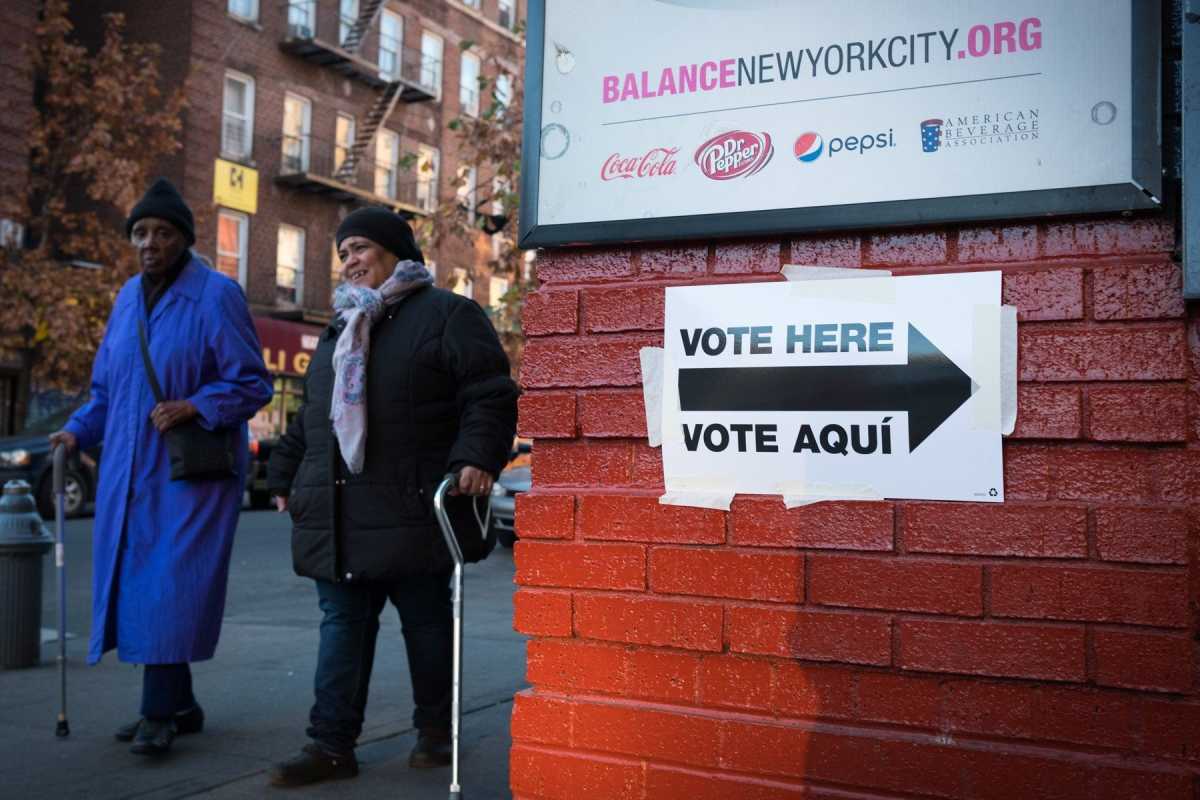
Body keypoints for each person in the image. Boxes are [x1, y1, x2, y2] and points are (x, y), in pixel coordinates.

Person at [266, 207, 518, 787]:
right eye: (343, 253)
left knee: (427, 626)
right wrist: (283, 474)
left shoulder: (448, 314)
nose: (350, 261)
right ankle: (330, 745)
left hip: (412, 506)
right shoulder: (340, 328)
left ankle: (434, 733)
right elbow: (314, 418)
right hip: (339, 509)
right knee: (340, 629)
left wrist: (477, 457)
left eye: (358, 247)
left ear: (396, 250)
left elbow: (489, 393)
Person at [49, 178, 272, 756]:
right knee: (141, 583)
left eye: (163, 233)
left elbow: (252, 383)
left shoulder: (216, 295)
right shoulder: (126, 298)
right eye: (141, 232)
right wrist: (76, 430)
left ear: (184, 240)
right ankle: (181, 703)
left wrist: (198, 404)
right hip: (128, 471)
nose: (150, 242)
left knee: (171, 584)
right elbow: (105, 388)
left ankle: (156, 714)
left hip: (189, 472)